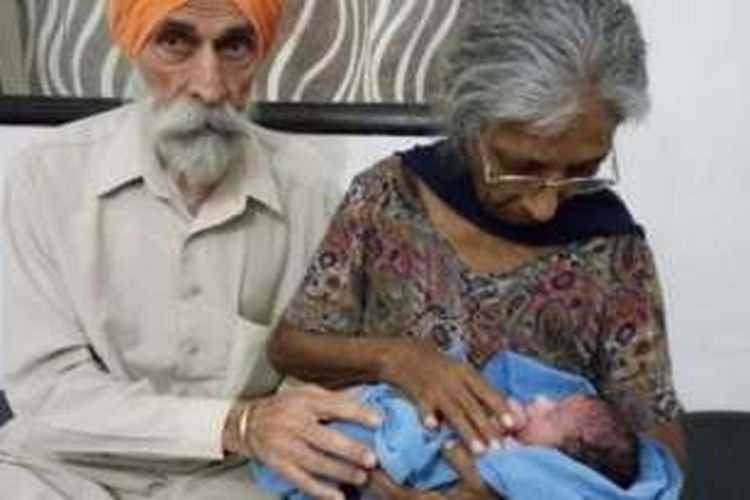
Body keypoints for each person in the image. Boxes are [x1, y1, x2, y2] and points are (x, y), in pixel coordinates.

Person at [268, 0, 685, 497]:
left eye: (582, 169)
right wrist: (394, 357)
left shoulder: (613, 250)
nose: (546, 206)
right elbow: (289, 347)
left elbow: (655, 448)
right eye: (522, 166)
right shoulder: (387, 199)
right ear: (471, 124)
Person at [0, 1, 383, 499]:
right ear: (135, 47)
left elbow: (314, 374)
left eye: (235, 47)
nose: (209, 86)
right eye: (176, 42)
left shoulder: (307, 188)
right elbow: (46, 393)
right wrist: (234, 423)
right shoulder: (46, 177)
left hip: (232, 479)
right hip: (60, 471)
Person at [255, 352, 683, 499]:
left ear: (566, 461)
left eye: (551, 414)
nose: (539, 400)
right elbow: (286, 349)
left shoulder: (528, 467)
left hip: (394, 456)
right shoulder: (380, 198)